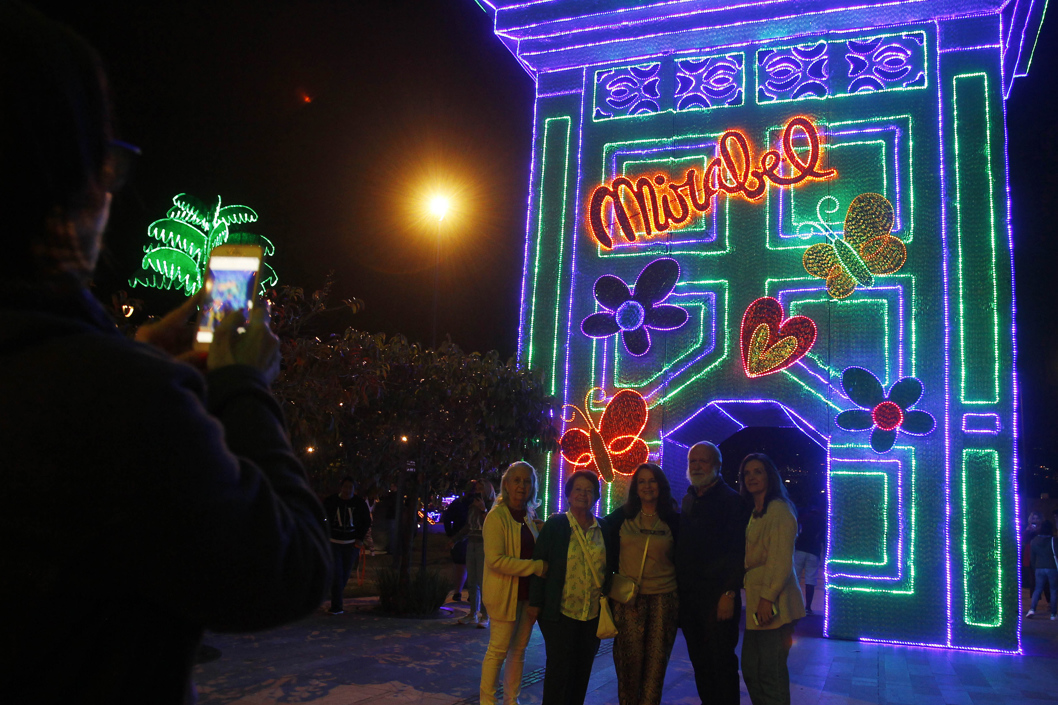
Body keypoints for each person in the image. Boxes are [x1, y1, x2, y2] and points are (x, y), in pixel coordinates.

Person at [0, 5, 330, 703]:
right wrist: (242, 381)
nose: (110, 192)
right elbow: (292, 567)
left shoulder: (87, 377)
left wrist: (131, 353)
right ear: (63, 177)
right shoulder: (119, 403)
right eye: (105, 162)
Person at [674, 442, 750, 705]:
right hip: (692, 600)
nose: (696, 466)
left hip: (719, 600)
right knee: (700, 663)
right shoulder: (689, 499)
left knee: (721, 664)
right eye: (692, 461)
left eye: (702, 461)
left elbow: (737, 551)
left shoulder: (732, 501)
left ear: (717, 466)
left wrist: (729, 592)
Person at [529, 470, 614, 705]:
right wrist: (535, 603)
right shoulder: (556, 525)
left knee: (582, 672)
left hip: (592, 615)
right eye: (578, 489)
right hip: (560, 613)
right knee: (558, 673)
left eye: (589, 490)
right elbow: (540, 564)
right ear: (568, 495)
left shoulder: (604, 528)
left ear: (596, 496)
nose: (583, 494)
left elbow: (611, 566)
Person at [604, 463, 680, 705]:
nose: (647, 486)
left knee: (656, 667)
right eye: (642, 482)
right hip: (628, 600)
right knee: (629, 666)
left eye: (652, 481)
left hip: (663, 599)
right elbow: (596, 534)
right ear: (636, 488)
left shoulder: (673, 521)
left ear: (661, 485)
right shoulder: (622, 517)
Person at [479, 461, 549, 705]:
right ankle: (488, 701)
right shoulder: (496, 517)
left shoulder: (529, 517)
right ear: (506, 485)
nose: (522, 485)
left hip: (527, 596)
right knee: (498, 651)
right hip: (503, 596)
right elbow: (496, 560)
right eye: (517, 480)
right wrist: (535, 567)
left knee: (518, 652)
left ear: (533, 487)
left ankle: (511, 700)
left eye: (527, 481)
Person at [740, 453, 805, 705]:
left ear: (770, 475)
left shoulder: (778, 508)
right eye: (747, 473)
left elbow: (781, 558)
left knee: (770, 672)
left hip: (775, 602)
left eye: (758, 471)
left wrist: (767, 597)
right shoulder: (757, 510)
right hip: (759, 603)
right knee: (751, 668)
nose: (751, 477)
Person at [324, 476, 372, 614]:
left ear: (354, 489)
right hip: (334, 543)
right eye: (345, 487)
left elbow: (366, 521)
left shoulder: (359, 503)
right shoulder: (332, 501)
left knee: (344, 573)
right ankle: (336, 606)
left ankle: (336, 599)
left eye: (350, 487)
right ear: (341, 487)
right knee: (337, 573)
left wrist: (359, 538)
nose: (347, 490)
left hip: (351, 544)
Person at [453, 477, 497, 626]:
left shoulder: (492, 506)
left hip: (484, 544)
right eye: (476, 489)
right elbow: (468, 526)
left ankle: (485, 615)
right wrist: (455, 539)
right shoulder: (473, 505)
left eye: (480, 489)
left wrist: (484, 509)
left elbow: (492, 526)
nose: (477, 492)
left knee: (483, 580)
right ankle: (473, 613)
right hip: (471, 542)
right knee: (472, 581)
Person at [443, 480, 475, 601]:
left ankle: (458, 592)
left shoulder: (458, 503)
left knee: (461, 565)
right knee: (471, 566)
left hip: (460, 536)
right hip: (466, 537)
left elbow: (447, 519)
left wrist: (451, 535)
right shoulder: (472, 505)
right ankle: (470, 593)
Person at [793, 502, 823, 615]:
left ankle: (794, 604)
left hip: (800, 549)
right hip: (813, 552)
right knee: (811, 579)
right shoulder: (821, 520)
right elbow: (823, 537)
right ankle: (808, 607)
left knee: (795, 577)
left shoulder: (803, 517)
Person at [1026, 520, 1057, 620]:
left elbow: (1032, 557)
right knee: (1053, 590)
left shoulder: (1034, 540)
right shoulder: (1053, 540)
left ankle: (1032, 609)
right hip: (1052, 567)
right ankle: (1053, 614)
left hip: (1039, 567)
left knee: (1038, 589)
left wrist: (1035, 567)